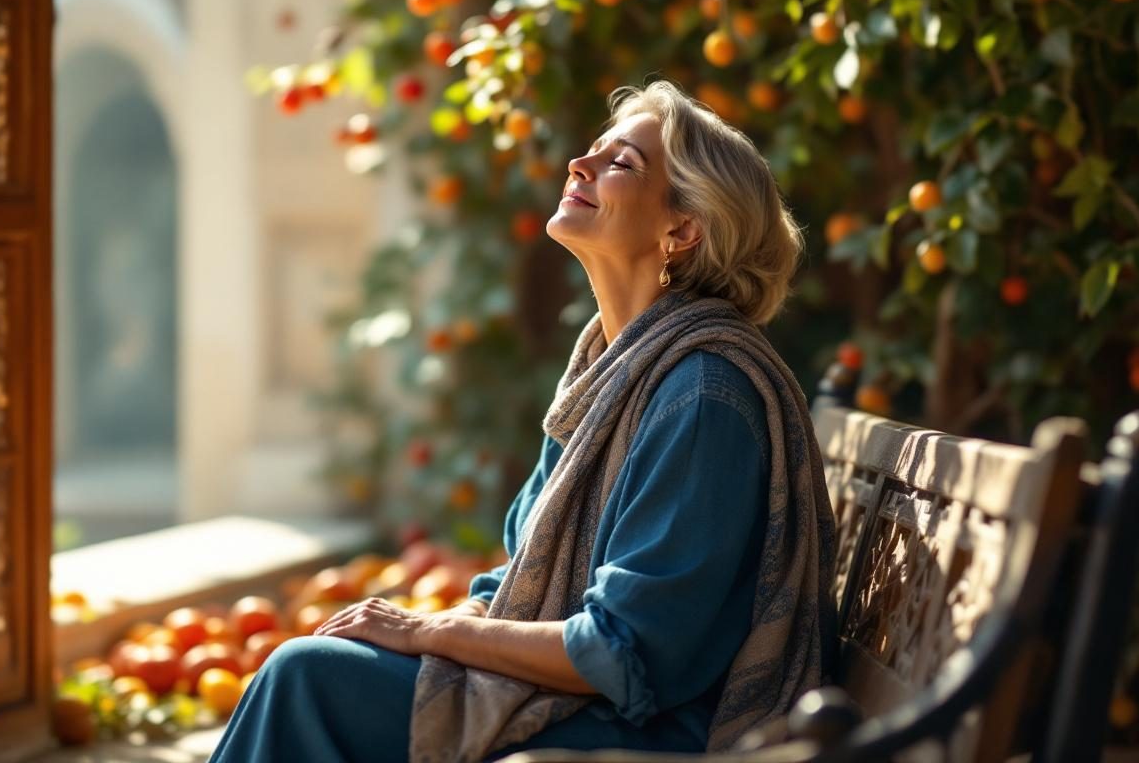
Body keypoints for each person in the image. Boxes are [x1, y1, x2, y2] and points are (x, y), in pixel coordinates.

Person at [208, 80, 836, 763]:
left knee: (306, 679)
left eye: (620, 163)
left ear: (682, 231)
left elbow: (623, 652)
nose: (579, 165)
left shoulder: (704, 395)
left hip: (659, 733)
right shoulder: (610, 372)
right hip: (590, 705)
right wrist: (429, 627)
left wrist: (427, 635)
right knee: (321, 664)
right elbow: (511, 587)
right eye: (592, 151)